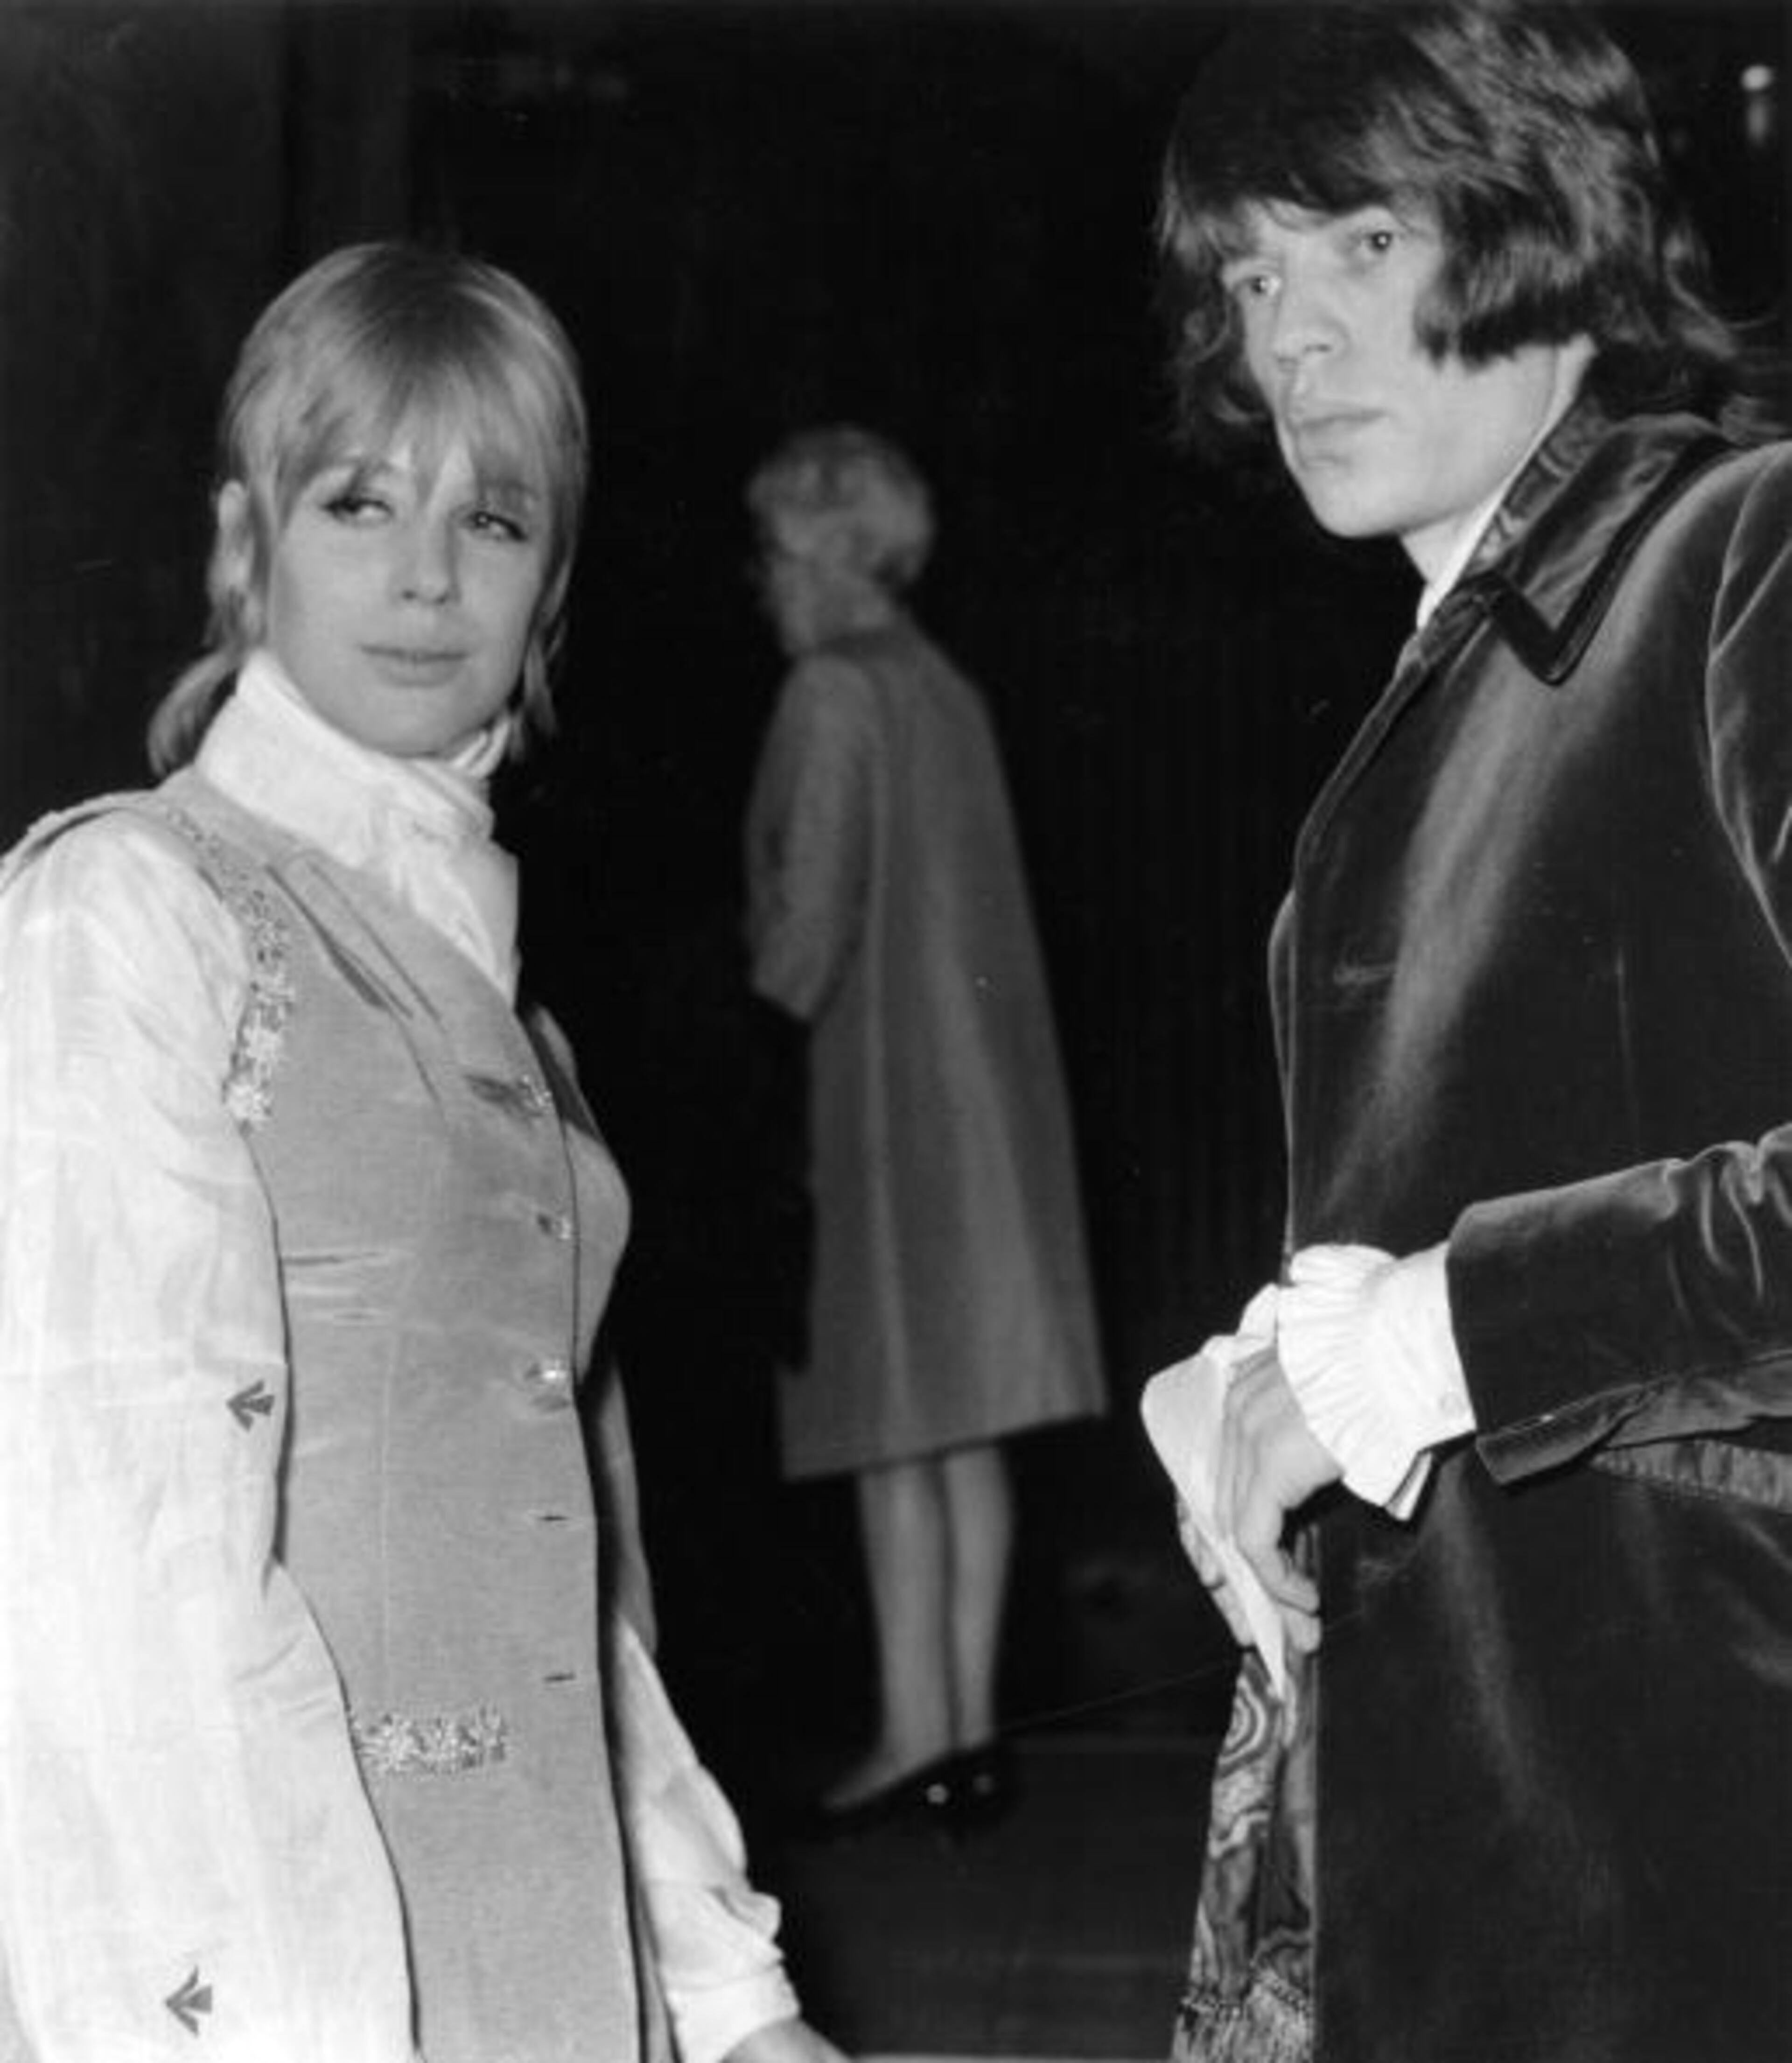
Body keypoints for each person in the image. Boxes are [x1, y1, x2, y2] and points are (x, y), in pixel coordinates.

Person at [0, 241, 847, 2063]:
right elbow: (111, 1583)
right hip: (288, 1982)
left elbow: (566, 1565)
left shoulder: (516, 1015)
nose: (424, 575)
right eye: (360, 500)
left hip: (543, 1954)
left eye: (497, 520)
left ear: (552, 585)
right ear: (249, 544)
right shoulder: (129, 914)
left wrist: (727, 1987)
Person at [1152, 4, 1792, 2059]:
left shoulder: (1737, 550)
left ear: (1544, 218)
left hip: (1694, 1832)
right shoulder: (1471, 665)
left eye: (1353, 244)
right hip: (1494, 1827)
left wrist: (1439, 1334)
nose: (1288, 338)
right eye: (1250, 274)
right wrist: (1270, 1379)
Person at [742, 426, 1105, 1831]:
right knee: (967, 1432)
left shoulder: (832, 691)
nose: (762, 580)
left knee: (897, 1425)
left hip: (878, 1092)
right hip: (987, 1100)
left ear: (831, 557)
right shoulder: (943, 686)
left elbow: (806, 935)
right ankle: (968, 1734)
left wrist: (726, 1014)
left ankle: (913, 1729)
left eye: (774, 551)